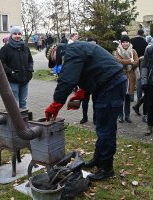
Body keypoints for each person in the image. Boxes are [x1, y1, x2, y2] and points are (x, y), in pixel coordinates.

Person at [44, 41, 127, 181]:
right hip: (106, 85)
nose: (58, 63)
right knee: (101, 126)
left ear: (55, 51)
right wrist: (81, 94)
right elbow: (92, 72)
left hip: (111, 86)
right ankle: (99, 159)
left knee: (106, 129)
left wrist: (56, 104)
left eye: (52, 59)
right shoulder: (77, 50)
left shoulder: (71, 51)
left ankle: (106, 168)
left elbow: (67, 80)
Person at [0, 26, 33, 109]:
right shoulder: (5, 49)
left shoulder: (25, 48)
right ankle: (13, 120)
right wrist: (11, 72)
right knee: (13, 102)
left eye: (19, 34)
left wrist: (30, 70)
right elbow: (1, 64)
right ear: (11, 35)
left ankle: (23, 120)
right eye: (15, 34)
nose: (17, 36)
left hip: (25, 79)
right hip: (12, 80)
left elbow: (30, 60)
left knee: (23, 102)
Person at [115, 35, 139, 123]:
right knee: (120, 97)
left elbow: (136, 62)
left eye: (127, 42)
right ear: (121, 43)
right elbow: (118, 61)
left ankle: (127, 115)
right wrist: (130, 61)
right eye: (123, 42)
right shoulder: (118, 51)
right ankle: (120, 115)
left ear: (129, 43)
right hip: (121, 76)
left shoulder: (133, 51)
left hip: (130, 76)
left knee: (128, 97)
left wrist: (130, 63)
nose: (125, 43)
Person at [79, 37, 98, 124]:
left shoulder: (99, 55)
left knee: (95, 101)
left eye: (94, 44)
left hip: (95, 82)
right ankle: (84, 117)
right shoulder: (83, 54)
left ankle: (95, 118)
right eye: (90, 44)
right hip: (85, 82)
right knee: (85, 101)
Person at [130, 29, 148, 115]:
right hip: (140, 63)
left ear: (137, 33)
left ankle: (131, 97)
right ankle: (139, 97)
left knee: (131, 79)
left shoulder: (132, 41)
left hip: (132, 62)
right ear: (143, 34)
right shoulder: (145, 42)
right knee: (139, 80)